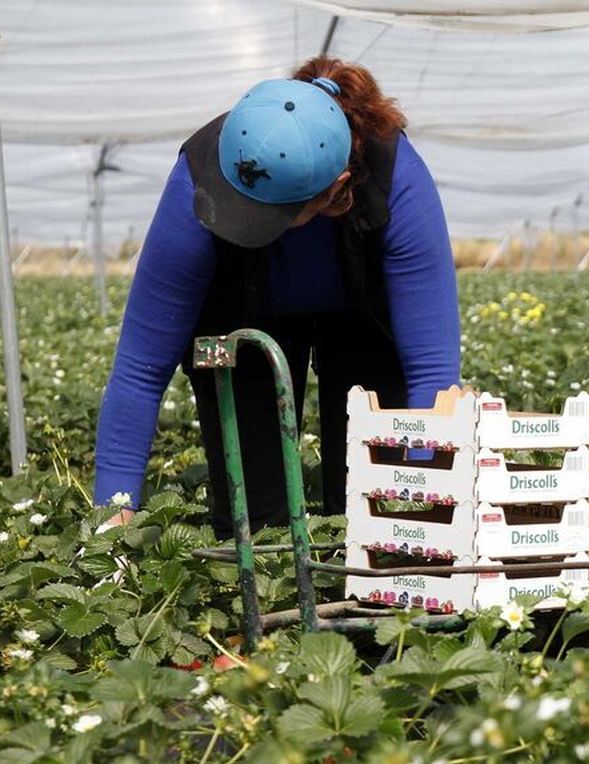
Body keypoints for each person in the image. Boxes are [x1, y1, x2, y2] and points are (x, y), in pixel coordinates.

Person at [93, 57, 460, 536]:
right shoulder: (199, 179)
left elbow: (432, 371)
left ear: (334, 191)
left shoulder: (397, 180)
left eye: (266, 214)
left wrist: (427, 514)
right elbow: (140, 369)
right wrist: (112, 526)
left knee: (373, 503)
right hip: (242, 319)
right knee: (253, 518)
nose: (246, 218)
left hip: (363, 323)